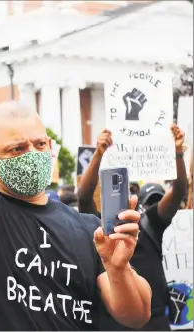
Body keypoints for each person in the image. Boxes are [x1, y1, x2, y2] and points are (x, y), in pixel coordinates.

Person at [0, 8, 151, 331]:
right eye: (17, 148)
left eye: (40, 144)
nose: (33, 153)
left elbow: (137, 314)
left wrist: (118, 268)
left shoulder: (87, 230)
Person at [78, 125, 187, 331]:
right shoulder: (101, 232)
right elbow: (83, 197)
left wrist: (178, 153)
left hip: (154, 324)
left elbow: (179, 189)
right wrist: (99, 154)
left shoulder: (150, 224)